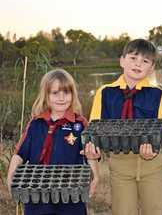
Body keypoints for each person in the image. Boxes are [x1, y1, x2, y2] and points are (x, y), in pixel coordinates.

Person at [7, 69, 100, 215]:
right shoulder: (35, 123)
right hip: (36, 193)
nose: (61, 98)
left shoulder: (80, 124)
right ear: (46, 95)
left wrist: (95, 177)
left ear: (73, 94)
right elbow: (20, 153)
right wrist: (11, 176)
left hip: (71, 193)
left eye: (66, 92)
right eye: (55, 93)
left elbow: (90, 155)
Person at [90, 39, 162, 215]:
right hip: (119, 164)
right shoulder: (105, 92)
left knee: (155, 210)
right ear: (122, 60)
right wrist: (93, 149)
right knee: (123, 211)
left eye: (145, 61)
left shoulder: (158, 93)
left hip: (152, 163)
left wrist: (154, 147)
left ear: (152, 68)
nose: (138, 64)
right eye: (133, 58)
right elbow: (96, 128)